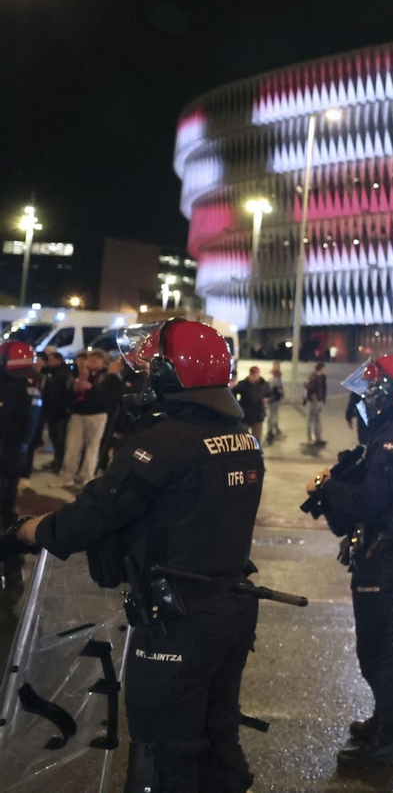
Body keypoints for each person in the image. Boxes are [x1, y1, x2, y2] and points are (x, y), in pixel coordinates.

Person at [13, 319, 265, 793]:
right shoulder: (240, 435)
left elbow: (97, 511)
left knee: (165, 748)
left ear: (172, 375)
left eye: (154, 366)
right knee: (217, 734)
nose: (146, 375)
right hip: (228, 602)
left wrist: (32, 530)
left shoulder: (166, 440)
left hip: (179, 618)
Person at [306, 354, 393, 767]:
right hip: (392, 545)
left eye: (375, 389)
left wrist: (328, 489)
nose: (368, 397)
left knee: (376, 647)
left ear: (391, 392)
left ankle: (388, 738)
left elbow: (370, 500)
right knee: (380, 643)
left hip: (381, 551)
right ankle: (383, 721)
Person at [0, 341, 42, 527]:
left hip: (6, 449)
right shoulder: (29, 387)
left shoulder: (11, 389)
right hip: (18, 450)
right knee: (8, 497)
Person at [63, 349, 117, 487]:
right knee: (72, 446)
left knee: (92, 447)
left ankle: (87, 477)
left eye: (96, 360)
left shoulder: (106, 376)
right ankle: (67, 476)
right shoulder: (81, 373)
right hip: (78, 413)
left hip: (97, 414)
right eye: (91, 359)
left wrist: (90, 388)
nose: (92, 363)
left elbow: (107, 396)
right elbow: (69, 391)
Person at [39, 348, 70, 472]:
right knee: (53, 436)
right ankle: (56, 459)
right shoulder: (49, 371)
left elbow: (58, 393)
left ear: (58, 360)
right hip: (51, 411)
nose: (49, 362)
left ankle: (59, 461)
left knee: (58, 438)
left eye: (51, 360)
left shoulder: (62, 373)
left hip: (59, 411)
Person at [231, 366, 270, 444]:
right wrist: (238, 405)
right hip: (245, 416)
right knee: (243, 438)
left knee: (257, 439)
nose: (254, 377)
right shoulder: (243, 384)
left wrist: (268, 399)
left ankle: (256, 453)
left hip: (258, 416)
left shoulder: (264, 385)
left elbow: (271, 394)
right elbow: (233, 392)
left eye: (255, 375)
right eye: (252, 375)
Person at [304, 361, 328, 448]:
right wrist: (312, 396)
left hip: (319, 401)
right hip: (313, 401)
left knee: (317, 419)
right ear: (320, 368)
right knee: (311, 419)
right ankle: (310, 438)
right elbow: (308, 388)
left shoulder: (322, 377)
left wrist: (323, 399)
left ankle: (318, 438)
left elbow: (324, 388)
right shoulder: (313, 377)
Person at [264, 363, 285, 444]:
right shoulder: (272, 377)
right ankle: (270, 432)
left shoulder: (278, 375)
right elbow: (272, 389)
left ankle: (275, 430)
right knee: (272, 416)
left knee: (274, 415)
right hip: (273, 399)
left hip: (276, 399)